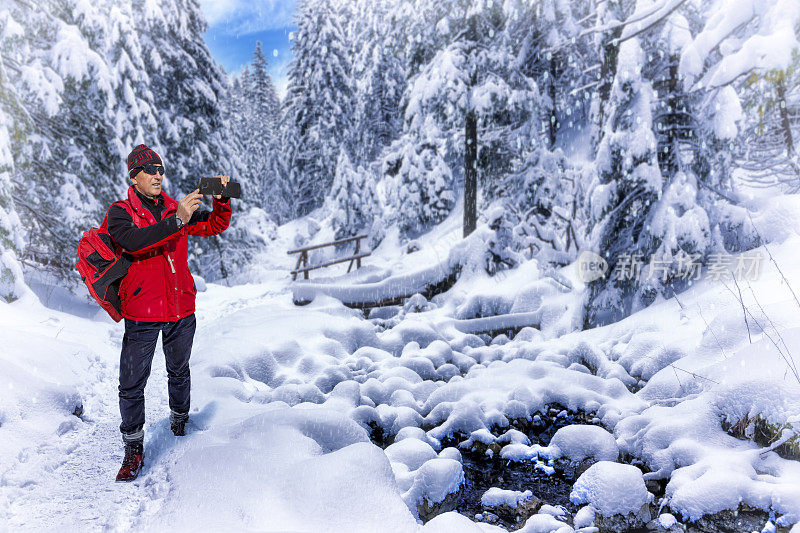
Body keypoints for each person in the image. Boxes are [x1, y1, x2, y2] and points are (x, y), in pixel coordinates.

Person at [108, 144, 232, 482]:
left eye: (160, 170)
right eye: (150, 171)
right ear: (134, 177)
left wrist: (221, 198)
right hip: (142, 311)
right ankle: (133, 450)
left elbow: (216, 225)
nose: (158, 175)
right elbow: (134, 242)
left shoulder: (177, 209)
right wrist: (178, 220)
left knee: (179, 371)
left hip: (181, 308)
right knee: (132, 383)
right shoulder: (120, 212)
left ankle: (180, 424)